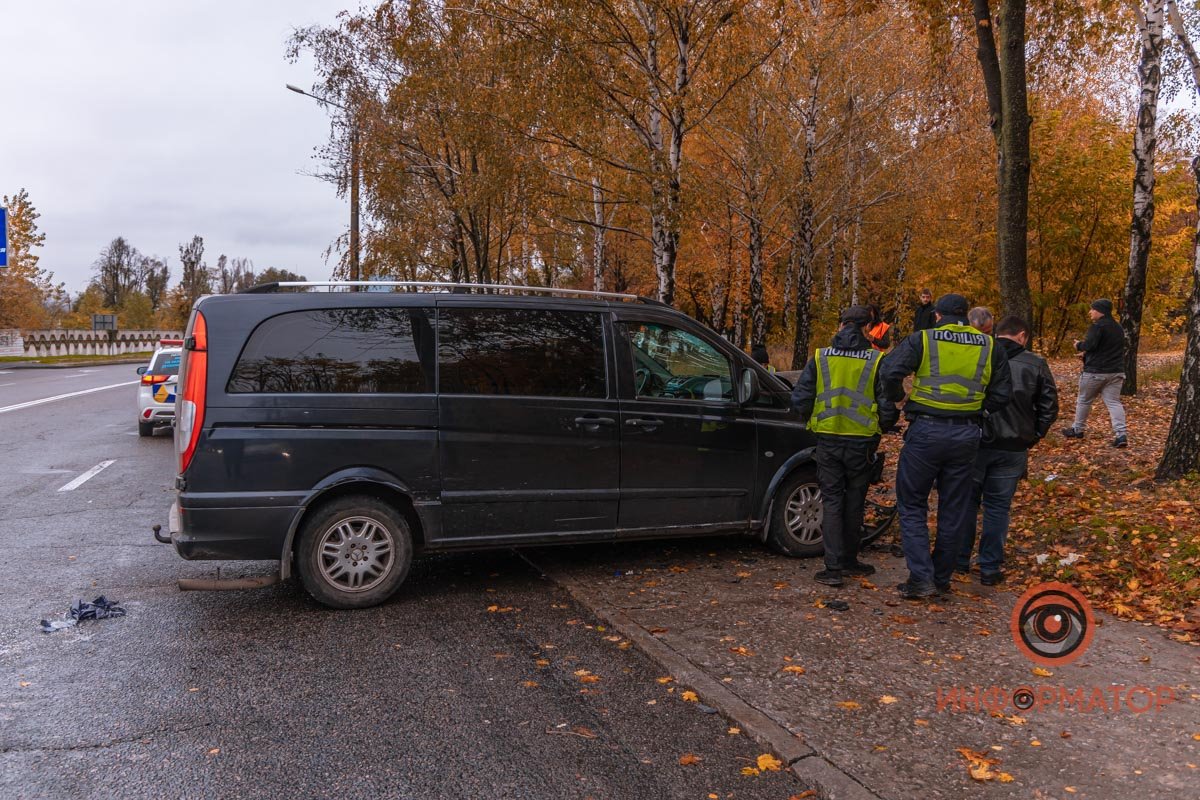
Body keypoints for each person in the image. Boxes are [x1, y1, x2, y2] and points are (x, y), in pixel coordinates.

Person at [881, 293, 1012, 599]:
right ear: (966, 317)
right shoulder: (989, 345)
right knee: (954, 508)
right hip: (967, 433)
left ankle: (921, 579)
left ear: (937, 315)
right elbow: (1003, 393)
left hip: (926, 430)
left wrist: (901, 400)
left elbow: (889, 371)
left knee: (912, 503)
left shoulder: (924, 340)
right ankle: (941, 579)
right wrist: (978, 410)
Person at [792, 306, 899, 586]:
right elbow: (888, 403)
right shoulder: (876, 360)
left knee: (832, 500)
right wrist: (881, 429)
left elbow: (800, 399)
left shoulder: (821, 356)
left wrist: (812, 421)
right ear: (867, 328)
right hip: (861, 443)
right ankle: (850, 560)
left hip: (827, 439)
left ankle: (833, 567)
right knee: (854, 502)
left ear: (841, 325)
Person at [957, 316, 1058, 585]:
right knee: (998, 507)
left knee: (967, 503)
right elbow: (1049, 406)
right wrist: (1034, 434)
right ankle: (989, 566)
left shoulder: (979, 356)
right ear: (1022, 336)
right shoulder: (1035, 364)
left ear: (997, 332)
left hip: (976, 441)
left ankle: (958, 559)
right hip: (1013, 445)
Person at [1062, 299, 1127, 448]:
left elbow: (1090, 345)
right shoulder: (1118, 328)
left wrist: (1078, 345)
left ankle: (1078, 430)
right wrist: (1086, 355)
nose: (1090, 312)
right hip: (1116, 371)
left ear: (1100, 311)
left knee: (1084, 400)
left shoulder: (1097, 326)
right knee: (1114, 403)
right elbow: (1106, 349)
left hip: (1095, 372)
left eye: (1092, 309)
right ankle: (1121, 434)